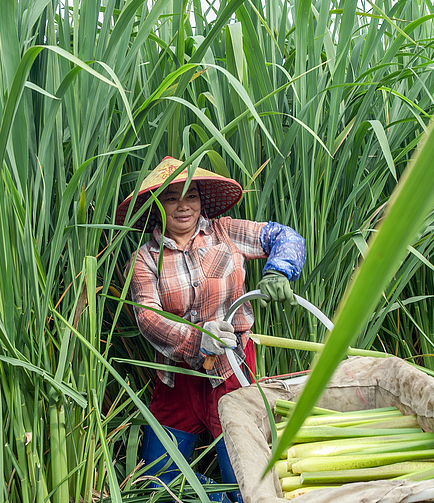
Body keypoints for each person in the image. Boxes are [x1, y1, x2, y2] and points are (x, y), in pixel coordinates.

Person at [116, 156, 306, 502]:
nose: (183, 206)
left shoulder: (225, 232)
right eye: (171, 198)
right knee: (156, 480)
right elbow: (148, 318)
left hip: (233, 373)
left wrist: (280, 269)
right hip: (177, 380)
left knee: (245, 483)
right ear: (157, 207)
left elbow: (283, 235)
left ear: (201, 200)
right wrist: (198, 338)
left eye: (191, 196)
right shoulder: (144, 259)